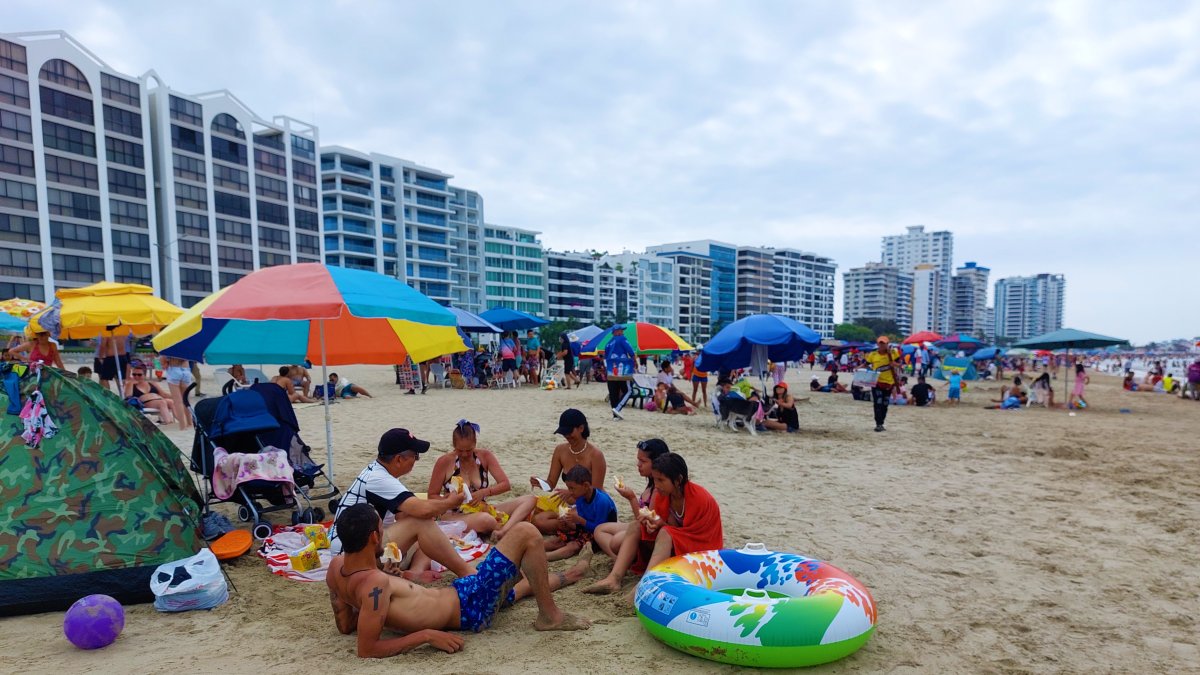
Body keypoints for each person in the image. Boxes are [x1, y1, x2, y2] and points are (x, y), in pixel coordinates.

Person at [326, 504, 588, 658]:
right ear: (374, 537)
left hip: (464, 595)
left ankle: (572, 574)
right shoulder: (375, 584)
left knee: (515, 590)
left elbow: (345, 625)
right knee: (526, 532)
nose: (384, 535)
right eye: (382, 530)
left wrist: (384, 603)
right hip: (471, 606)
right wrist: (425, 635)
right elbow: (367, 649)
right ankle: (550, 617)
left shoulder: (336, 568)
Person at [329, 429, 475, 579]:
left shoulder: (380, 472)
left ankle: (415, 573)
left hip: (362, 546)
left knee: (428, 537)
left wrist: (441, 505)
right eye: (415, 456)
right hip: (351, 555)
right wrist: (449, 503)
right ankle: (468, 573)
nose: (416, 460)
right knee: (422, 523)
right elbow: (422, 511)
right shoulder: (378, 478)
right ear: (399, 459)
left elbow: (405, 514)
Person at [584, 453, 723, 603]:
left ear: (678, 480)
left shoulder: (699, 499)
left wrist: (662, 526)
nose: (656, 485)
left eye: (661, 480)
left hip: (700, 550)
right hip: (675, 543)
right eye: (655, 479)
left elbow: (696, 536)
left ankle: (643, 587)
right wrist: (651, 524)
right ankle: (614, 579)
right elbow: (665, 526)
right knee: (636, 525)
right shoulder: (665, 494)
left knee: (665, 532)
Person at [584, 439, 672, 595]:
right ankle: (622, 560)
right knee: (600, 530)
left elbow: (645, 523)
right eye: (638, 460)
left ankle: (622, 563)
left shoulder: (659, 488)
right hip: (641, 527)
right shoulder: (651, 484)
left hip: (651, 533)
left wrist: (631, 498)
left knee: (616, 541)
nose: (638, 465)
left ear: (657, 462)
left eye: (643, 461)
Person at [426, 420, 537, 540]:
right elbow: (432, 495)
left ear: (475, 443)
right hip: (454, 514)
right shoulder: (445, 461)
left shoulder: (485, 456)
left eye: (469, 450)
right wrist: (448, 500)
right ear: (454, 445)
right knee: (486, 520)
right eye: (460, 450)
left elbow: (505, 484)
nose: (464, 454)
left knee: (530, 499)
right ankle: (510, 527)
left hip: (482, 508)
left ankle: (504, 531)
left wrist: (484, 492)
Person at [530, 409, 606, 534]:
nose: (567, 436)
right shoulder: (560, 450)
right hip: (567, 504)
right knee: (538, 520)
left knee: (563, 521)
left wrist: (570, 493)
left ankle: (570, 527)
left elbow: (596, 493)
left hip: (589, 505)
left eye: (569, 432)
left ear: (581, 428)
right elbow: (551, 484)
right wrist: (541, 483)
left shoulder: (595, 455)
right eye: (564, 433)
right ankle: (566, 526)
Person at [544, 465, 618, 561]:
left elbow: (599, 529)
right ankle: (532, 549)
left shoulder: (602, 501)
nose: (570, 492)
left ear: (586, 486)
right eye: (568, 488)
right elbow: (581, 524)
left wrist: (580, 521)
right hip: (587, 529)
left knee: (573, 546)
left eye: (572, 488)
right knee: (558, 540)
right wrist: (568, 522)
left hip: (601, 534)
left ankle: (544, 558)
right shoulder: (580, 497)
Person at [864, 336, 902, 432]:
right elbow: (866, 364)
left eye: (884, 343)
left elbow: (901, 364)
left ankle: (881, 422)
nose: (882, 345)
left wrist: (895, 364)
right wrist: (858, 369)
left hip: (889, 383)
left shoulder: (893, 353)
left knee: (885, 404)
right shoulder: (873, 354)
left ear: (887, 344)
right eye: (880, 343)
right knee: (878, 402)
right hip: (876, 382)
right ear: (877, 344)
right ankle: (878, 424)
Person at [605, 325, 636, 419]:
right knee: (629, 390)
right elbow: (631, 352)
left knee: (613, 393)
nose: (623, 332)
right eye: (621, 330)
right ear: (616, 332)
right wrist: (635, 363)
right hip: (622, 369)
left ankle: (615, 416)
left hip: (611, 370)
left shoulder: (608, 343)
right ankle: (617, 409)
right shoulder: (622, 339)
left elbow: (606, 356)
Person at [163, 355, 195, 431]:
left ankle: (182, 426)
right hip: (186, 369)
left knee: (178, 401)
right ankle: (190, 423)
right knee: (186, 399)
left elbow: (163, 360)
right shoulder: (186, 347)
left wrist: (165, 363)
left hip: (174, 369)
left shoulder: (169, 348)